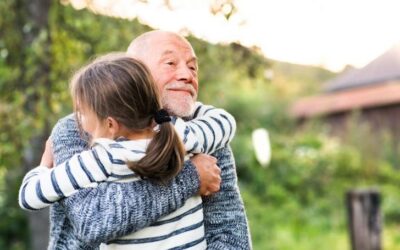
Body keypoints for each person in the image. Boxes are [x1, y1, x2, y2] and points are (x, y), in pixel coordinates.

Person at [42, 30, 250, 249]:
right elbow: (93, 221)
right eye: (170, 63)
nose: (187, 75)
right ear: (134, 71)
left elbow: (229, 232)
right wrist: (192, 177)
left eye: (192, 67)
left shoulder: (205, 132)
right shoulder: (78, 127)